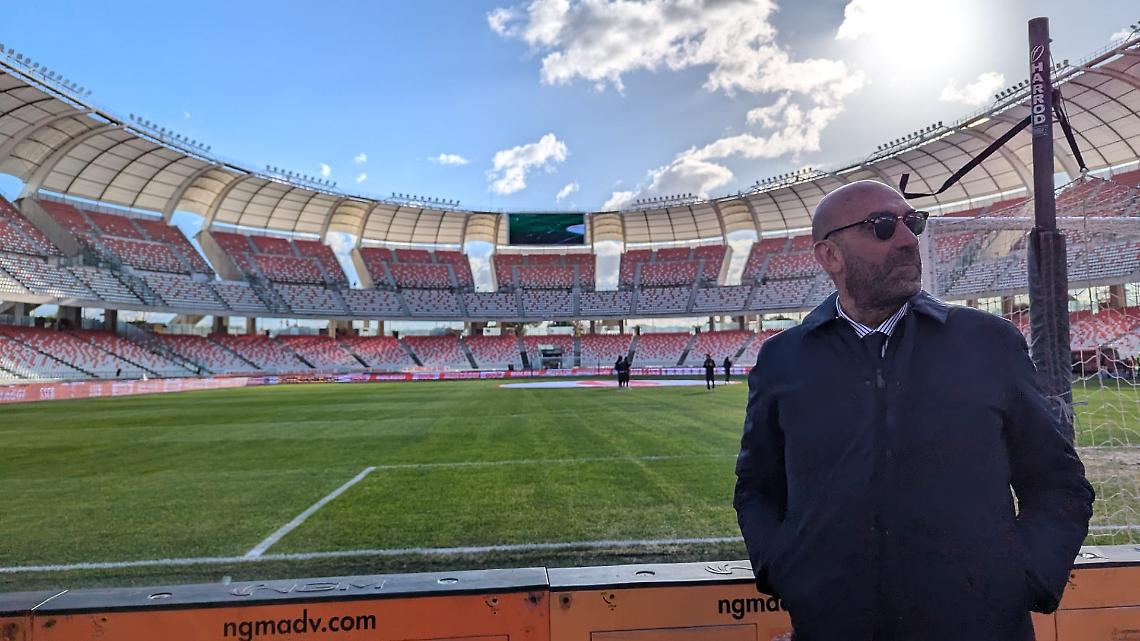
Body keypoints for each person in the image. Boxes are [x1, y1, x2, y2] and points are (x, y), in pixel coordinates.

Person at [733, 180, 1094, 640]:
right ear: (830, 257)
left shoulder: (989, 342)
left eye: (913, 223)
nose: (907, 240)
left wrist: (1025, 578)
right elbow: (757, 488)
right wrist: (781, 568)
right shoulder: (783, 359)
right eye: (882, 227)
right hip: (834, 625)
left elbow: (1057, 483)